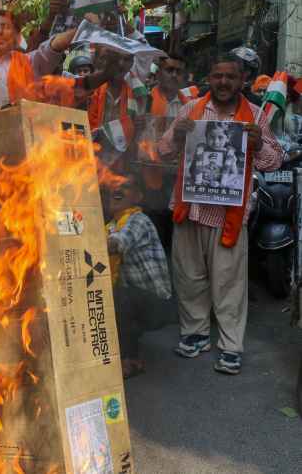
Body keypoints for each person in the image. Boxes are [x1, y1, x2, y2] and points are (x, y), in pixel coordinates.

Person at [158, 54, 282, 375]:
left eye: (230, 77)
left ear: (241, 81)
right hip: (190, 209)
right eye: (217, 76)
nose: (223, 82)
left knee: (229, 284)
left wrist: (258, 146)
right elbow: (162, 150)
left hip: (228, 214)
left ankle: (230, 347)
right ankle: (196, 334)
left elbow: (274, 161)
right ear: (208, 80)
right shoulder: (190, 111)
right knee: (188, 278)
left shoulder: (254, 117)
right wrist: (177, 135)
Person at [105, 173, 173, 379]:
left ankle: (131, 359)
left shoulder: (138, 220)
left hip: (157, 304)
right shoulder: (109, 227)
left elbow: (115, 244)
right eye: (114, 185)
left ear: (138, 197)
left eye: (125, 186)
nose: (117, 189)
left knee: (118, 296)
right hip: (133, 299)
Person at [0, 8, 77, 114]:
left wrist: (82, 29)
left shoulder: (27, 61)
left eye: (5, 27)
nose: (0, 31)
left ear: (15, 35)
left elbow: (53, 46)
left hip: (19, 129)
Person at [140, 53, 197, 251]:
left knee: (176, 235)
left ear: (184, 76)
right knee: (153, 233)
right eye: (169, 70)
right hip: (149, 178)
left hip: (179, 180)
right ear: (159, 73)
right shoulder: (144, 99)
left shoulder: (192, 105)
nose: (174, 75)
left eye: (178, 71)